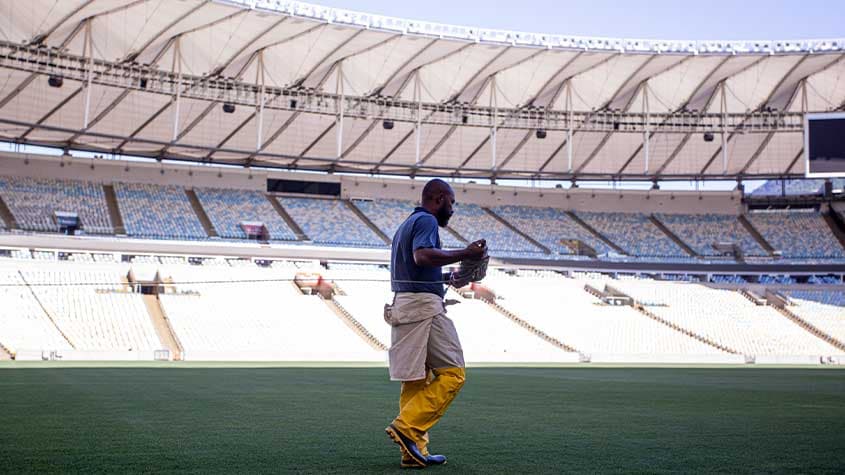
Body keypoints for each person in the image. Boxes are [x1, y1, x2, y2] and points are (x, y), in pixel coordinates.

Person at [384, 178, 487, 468]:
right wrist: (467, 254)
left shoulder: (406, 225)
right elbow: (423, 256)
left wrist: (448, 278)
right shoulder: (427, 221)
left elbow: (416, 269)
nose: (453, 210)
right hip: (424, 308)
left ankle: (413, 451)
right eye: (452, 203)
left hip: (403, 305)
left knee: (415, 379)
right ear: (439, 198)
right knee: (454, 373)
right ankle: (407, 427)